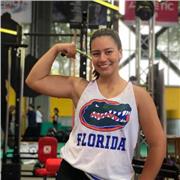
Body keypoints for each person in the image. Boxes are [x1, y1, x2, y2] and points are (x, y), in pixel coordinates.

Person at [26, 28, 166, 180]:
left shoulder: (139, 96)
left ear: (120, 53)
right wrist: (56, 48)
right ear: (91, 56)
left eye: (108, 52)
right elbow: (34, 80)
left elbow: (158, 144)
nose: (102, 58)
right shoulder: (80, 88)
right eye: (96, 53)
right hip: (73, 173)